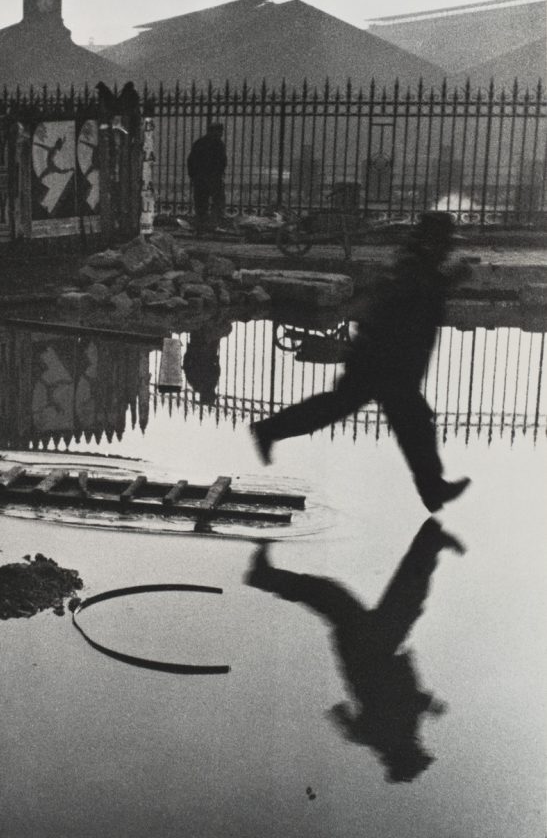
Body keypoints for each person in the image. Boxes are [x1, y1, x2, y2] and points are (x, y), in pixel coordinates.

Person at [250, 211, 470, 512]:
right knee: (411, 422)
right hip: (384, 362)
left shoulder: (415, 262)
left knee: (368, 413)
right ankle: (432, 489)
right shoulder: (413, 266)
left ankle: (433, 489)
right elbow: (406, 299)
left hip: (385, 361)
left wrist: (444, 279)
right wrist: (446, 279)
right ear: (434, 243)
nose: (448, 249)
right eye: (445, 243)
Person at [245, 518, 465, 782]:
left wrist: (428, 705)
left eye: (418, 753)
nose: (421, 747)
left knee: (383, 598)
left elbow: (394, 707)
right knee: (380, 598)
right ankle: (265, 576)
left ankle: (431, 540)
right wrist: (425, 706)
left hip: (369, 651)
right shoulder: (392, 735)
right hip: (373, 649)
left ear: (406, 754)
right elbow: (356, 717)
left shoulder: (388, 736)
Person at [187, 123, 227, 231]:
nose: (221, 134)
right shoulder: (219, 144)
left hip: (200, 178)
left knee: (201, 203)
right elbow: (222, 161)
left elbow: (191, 160)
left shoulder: (199, 143)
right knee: (217, 202)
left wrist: (193, 175)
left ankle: (201, 225)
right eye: (220, 131)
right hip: (213, 178)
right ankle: (213, 225)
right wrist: (219, 173)